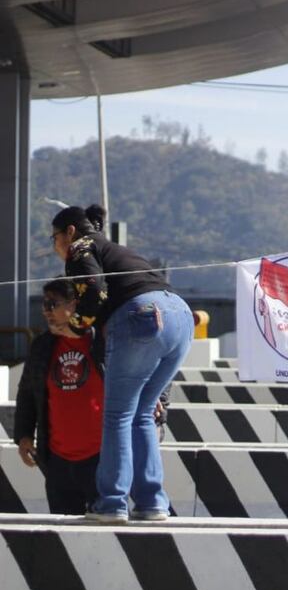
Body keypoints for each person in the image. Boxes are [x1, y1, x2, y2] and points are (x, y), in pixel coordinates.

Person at [51, 204, 192, 523]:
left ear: (69, 231)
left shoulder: (80, 247)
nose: (56, 246)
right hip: (180, 316)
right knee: (142, 413)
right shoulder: (117, 250)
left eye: (54, 238)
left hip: (139, 316)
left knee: (117, 415)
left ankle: (111, 502)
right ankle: (152, 502)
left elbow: (94, 290)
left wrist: (75, 325)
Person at [14, 279, 104, 514]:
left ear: (74, 305)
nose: (46, 311)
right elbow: (27, 392)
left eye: (51, 304)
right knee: (63, 530)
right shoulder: (42, 345)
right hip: (57, 461)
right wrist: (23, 435)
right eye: (43, 305)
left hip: (103, 459)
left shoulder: (102, 342)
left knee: (106, 530)